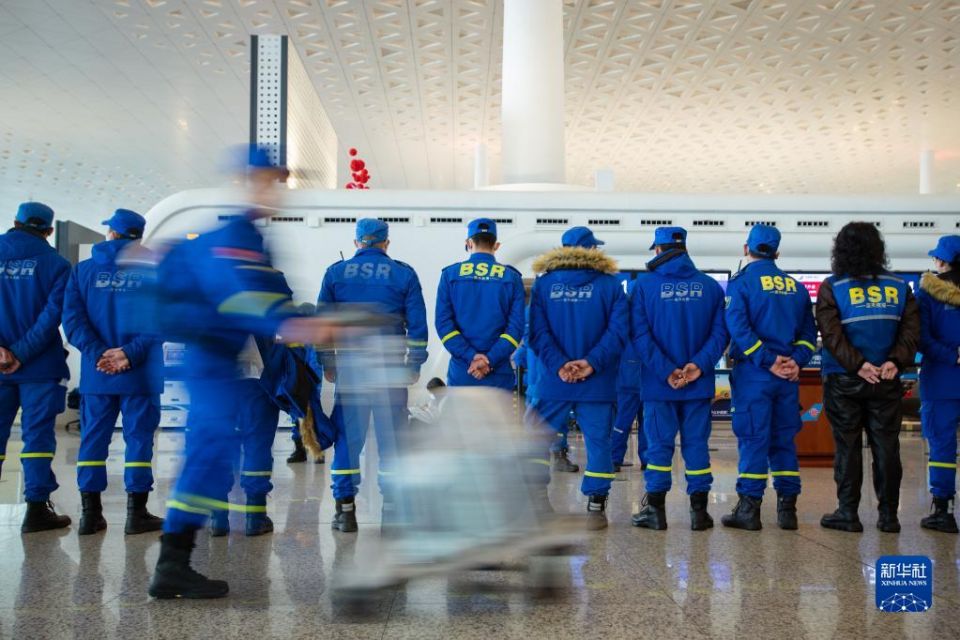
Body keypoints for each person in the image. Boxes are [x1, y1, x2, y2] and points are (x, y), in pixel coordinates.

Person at [148, 147, 338, 599]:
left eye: (279, 181)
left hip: (225, 362)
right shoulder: (234, 235)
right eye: (270, 180)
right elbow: (237, 293)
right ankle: (172, 564)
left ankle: (178, 558)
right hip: (209, 359)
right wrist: (290, 323)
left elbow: (258, 295)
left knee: (218, 449)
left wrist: (291, 319)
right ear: (247, 180)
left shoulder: (251, 236)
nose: (277, 190)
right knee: (211, 449)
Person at [319, 218, 428, 533]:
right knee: (392, 441)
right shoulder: (404, 274)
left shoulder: (335, 273)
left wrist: (328, 362)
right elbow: (417, 327)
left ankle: (345, 512)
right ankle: (391, 512)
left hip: (351, 371)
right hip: (390, 371)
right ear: (386, 243)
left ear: (357, 242)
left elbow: (322, 325)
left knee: (348, 440)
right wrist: (413, 365)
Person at [61, 208, 164, 536]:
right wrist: (129, 354)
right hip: (141, 374)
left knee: (93, 440)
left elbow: (72, 321)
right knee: (139, 441)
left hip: (98, 374)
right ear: (138, 236)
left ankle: (90, 516)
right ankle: (137, 514)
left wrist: (99, 354)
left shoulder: (83, 271)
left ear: (113, 233)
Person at [815, 222, 919, 534]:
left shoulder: (833, 286)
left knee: (847, 447)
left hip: (843, 380)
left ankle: (848, 513)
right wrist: (894, 362)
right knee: (886, 446)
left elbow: (831, 334)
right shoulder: (899, 286)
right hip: (886, 379)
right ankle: (888, 516)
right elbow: (912, 331)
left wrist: (858, 365)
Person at [527, 226, 627, 530]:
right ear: (591, 250)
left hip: (553, 382)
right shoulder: (611, 285)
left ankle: (538, 502)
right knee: (599, 443)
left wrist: (559, 365)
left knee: (537, 439)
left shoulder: (544, 285)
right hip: (597, 382)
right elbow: (618, 332)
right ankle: (596, 508)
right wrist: (590, 363)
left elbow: (537, 332)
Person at [631, 227, 728, 532]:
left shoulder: (644, 286)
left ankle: (655, 511)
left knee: (659, 447)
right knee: (696, 445)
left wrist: (666, 370)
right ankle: (699, 513)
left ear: (658, 250)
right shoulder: (710, 287)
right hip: (698, 385)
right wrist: (698, 365)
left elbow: (640, 335)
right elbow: (720, 334)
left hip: (659, 385)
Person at [720, 225, 817, 531]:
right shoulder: (796, 288)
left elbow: (738, 327)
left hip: (755, 375)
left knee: (753, 439)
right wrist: (794, 362)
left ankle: (749, 510)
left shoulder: (741, 283)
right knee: (784, 440)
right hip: (787, 378)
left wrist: (768, 360)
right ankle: (788, 511)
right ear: (777, 253)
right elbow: (808, 334)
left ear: (745, 249)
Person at [0, 202, 73, 533]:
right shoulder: (57, 265)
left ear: (15, 222)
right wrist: (21, 352)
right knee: (37, 436)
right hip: (40, 366)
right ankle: (36, 509)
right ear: (49, 230)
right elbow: (52, 317)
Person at [436, 218, 524, 392]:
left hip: (463, 371)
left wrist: (471, 356)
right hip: (498, 374)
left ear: (469, 243)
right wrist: (489, 360)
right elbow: (516, 328)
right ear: (496, 245)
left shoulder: (450, 275)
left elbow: (443, 324)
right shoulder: (512, 278)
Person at [916, 235, 960, 533]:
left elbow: (921, 338)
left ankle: (943, 511)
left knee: (942, 444)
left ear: (943, 262)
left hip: (941, 379)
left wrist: (952, 355)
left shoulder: (928, 293)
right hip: (942, 378)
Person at [516, 335, 578, 472]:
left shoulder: (531, 337)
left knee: (535, 423)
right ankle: (558, 456)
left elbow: (519, 358)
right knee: (555, 423)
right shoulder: (551, 339)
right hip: (547, 384)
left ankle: (534, 459)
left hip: (535, 385)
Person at [612, 279, 646, 473]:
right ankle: (647, 460)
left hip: (627, 378)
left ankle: (614, 458)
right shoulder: (648, 315)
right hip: (644, 379)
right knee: (645, 423)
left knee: (622, 422)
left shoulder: (621, 317)